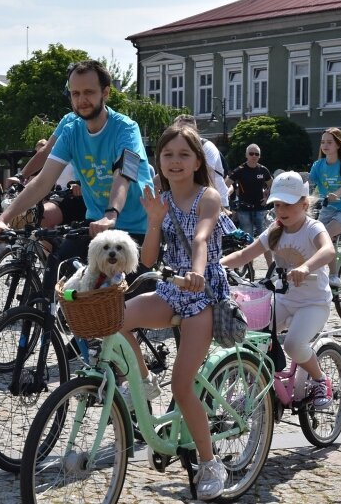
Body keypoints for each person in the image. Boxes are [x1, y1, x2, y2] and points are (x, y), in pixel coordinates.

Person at [118, 124, 229, 500]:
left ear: (198, 160)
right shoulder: (159, 199)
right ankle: (145, 380)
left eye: (184, 154)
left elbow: (200, 237)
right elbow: (147, 259)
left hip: (203, 292)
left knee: (183, 386)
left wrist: (196, 273)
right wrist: (153, 219)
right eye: (168, 155)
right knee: (115, 320)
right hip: (169, 288)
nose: (175, 161)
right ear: (159, 161)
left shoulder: (208, 197)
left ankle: (210, 463)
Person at [0, 60, 154, 290]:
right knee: (56, 275)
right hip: (95, 223)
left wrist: (111, 214)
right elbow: (44, 181)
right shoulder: (71, 131)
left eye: (88, 92)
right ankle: (47, 324)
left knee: (127, 304)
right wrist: (3, 219)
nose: (81, 100)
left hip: (135, 225)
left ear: (105, 92)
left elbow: (124, 174)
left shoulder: (127, 129)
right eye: (75, 93)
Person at [221, 171, 336, 410]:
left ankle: (320, 380)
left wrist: (305, 267)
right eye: (278, 204)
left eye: (288, 204)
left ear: (304, 204)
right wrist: (214, 267)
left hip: (313, 303)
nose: (282, 210)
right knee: (251, 338)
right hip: (283, 300)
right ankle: (258, 388)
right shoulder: (275, 230)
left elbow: (328, 251)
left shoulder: (313, 227)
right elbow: (245, 254)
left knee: (293, 345)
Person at [309, 127, 341, 287]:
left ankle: (334, 275)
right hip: (327, 209)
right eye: (323, 142)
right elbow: (309, 185)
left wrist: (335, 194)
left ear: (338, 145)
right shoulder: (318, 165)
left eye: (329, 142)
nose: (325, 145)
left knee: (325, 234)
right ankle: (318, 270)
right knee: (312, 237)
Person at [172, 114, 229, 210]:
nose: (182, 133)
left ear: (195, 130)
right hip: (189, 202)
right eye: (178, 129)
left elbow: (206, 175)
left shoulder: (206, 146)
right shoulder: (175, 149)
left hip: (215, 202)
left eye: (186, 129)